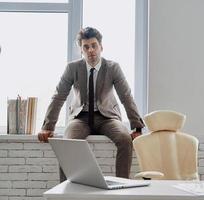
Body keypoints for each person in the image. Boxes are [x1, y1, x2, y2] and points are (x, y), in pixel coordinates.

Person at [38, 27, 145, 181]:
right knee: (67, 144)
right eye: (86, 47)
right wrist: (48, 127)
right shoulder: (72, 68)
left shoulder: (113, 67)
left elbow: (126, 96)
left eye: (94, 45)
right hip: (80, 118)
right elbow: (59, 96)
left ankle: (122, 185)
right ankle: (65, 191)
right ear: (81, 50)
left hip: (108, 117)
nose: (91, 50)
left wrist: (137, 127)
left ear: (101, 47)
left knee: (124, 139)